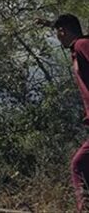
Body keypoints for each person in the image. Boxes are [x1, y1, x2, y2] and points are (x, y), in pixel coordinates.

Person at [43, 14, 89, 211]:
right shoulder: (77, 48)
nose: (57, 37)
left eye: (57, 32)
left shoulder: (82, 45)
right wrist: (46, 22)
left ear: (63, 31)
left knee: (79, 164)